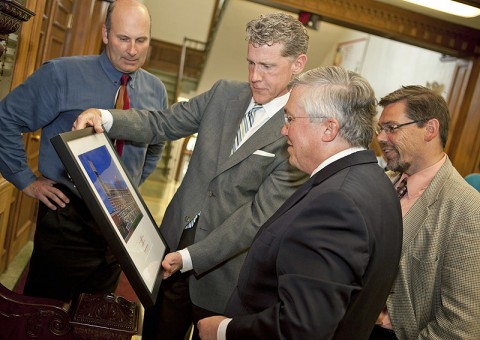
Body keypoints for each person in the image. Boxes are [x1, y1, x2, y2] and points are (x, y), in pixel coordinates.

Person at [73, 12, 309, 339]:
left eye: (267, 66)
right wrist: (105, 117)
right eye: (250, 63)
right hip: (170, 250)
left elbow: (256, 218)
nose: (254, 76)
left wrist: (190, 257)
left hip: (224, 275)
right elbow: (162, 123)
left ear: (298, 64)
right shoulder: (223, 94)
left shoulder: (298, 128)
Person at [196, 66, 403, 340]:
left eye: (291, 118)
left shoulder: (337, 203)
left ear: (329, 128)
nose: (284, 130)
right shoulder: (373, 180)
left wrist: (223, 330)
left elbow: (302, 327)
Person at [0, 0, 167, 302]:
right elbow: (6, 119)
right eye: (123, 38)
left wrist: (130, 187)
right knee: (44, 313)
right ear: (105, 34)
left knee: (95, 318)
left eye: (141, 40)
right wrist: (25, 179)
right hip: (67, 215)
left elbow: (155, 144)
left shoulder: (156, 91)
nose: (133, 49)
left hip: (119, 225)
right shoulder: (61, 74)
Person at [371, 85, 480, 339]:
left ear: (430, 129)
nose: (381, 138)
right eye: (380, 129)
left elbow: (461, 326)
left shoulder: (468, 210)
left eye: (392, 128)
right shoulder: (380, 184)